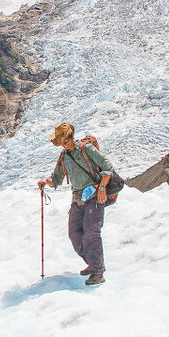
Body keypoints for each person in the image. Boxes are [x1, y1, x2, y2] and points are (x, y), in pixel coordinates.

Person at [38, 122, 114, 285]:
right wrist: (46, 181)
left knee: (91, 233)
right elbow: (57, 179)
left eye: (66, 140)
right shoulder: (64, 156)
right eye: (61, 142)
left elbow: (107, 167)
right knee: (75, 233)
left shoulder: (86, 149)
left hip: (94, 195)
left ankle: (98, 271)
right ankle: (94, 263)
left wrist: (101, 188)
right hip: (78, 198)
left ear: (72, 137)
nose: (64, 144)